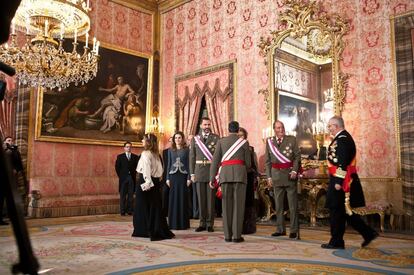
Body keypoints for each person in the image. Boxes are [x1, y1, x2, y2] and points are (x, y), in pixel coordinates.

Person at [321, 116, 378, 249]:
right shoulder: (343, 138)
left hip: (342, 180)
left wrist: (338, 181)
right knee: (344, 212)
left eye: (330, 126)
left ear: (336, 126)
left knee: (336, 210)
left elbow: (343, 162)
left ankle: (337, 241)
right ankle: (367, 233)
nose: (328, 128)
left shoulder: (343, 140)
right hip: (341, 178)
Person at [209, 121, 251, 242]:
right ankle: (237, 236)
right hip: (240, 176)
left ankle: (227, 236)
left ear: (228, 129)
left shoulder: (221, 142)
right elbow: (248, 164)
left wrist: (212, 178)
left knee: (226, 206)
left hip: (225, 176)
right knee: (238, 206)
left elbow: (215, 162)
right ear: (238, 130)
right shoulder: (244, 142)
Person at [132, 133, 175, 241]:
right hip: (155, 182)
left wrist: (147, 183)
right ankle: (155, 228)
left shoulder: (146, 153)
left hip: (146, 182)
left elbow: (146, 170)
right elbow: (161, 171)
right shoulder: (156, 154)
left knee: (142, 206)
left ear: (148, 142)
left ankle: (144, 230)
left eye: (143, 139)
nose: (142, 141)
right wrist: (153, 182)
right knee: (154, 207)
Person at [265, 120, 301, 239]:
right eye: (278, 128)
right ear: (274, 129)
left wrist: (295, 170)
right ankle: (280, 229)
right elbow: (268, 161)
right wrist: (269, 176)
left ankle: (294, 230)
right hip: (276, 177)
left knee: (292, 205)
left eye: (282, 127)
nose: (281, 130)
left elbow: (297, 157)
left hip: (289, 175)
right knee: (278, 205)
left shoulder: (292, 139)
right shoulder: (269, 141)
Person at [190, 117, 219, 232]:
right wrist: (192, 173)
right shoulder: (195, 139)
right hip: (199, 172)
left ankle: (210, 224)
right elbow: (192, 157)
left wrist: (217, 173)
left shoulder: (216, 138)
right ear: (201, 126)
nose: (207, 127)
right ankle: (202, 223)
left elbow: (218, 157)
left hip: (211, 171)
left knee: (210, 200)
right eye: (205, 125)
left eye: (208, 125)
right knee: (201, 199)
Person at [166, 131, 191, 230]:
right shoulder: (170, 150)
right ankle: (172, 223)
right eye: (176, 138)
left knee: (182, 199)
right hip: (173, 177)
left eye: (179, 137)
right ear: (173, 139)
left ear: (182, 139)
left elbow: (189, 164)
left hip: (183, 177)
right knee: (173, 199)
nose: (177, 139)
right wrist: (167, 178)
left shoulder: (187, 150)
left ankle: (183, 223)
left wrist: (189, 178)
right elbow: (168, 164)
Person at [238, 127, 259, 234]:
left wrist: (256, 177)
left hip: (248, 178)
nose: (240, 137)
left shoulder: (250, 149)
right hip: (237, 179)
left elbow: (255, 166)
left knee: (248, 204)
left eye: (242, 135)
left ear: (245, 137)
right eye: (238, 135)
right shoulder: (233, 149)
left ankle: (248, 227)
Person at [115, 141, 139, 216]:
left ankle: (130, 210)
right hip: (123, 179)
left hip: (132, 178)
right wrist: (121, 176)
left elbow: (137, 167)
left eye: (130, 147)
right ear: (124, 148)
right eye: (127, 147)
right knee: (122, 195)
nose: (129, 148)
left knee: (130, 195)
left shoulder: (135, 157)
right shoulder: (120, 156)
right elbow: (117, 167)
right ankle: (122, 211)